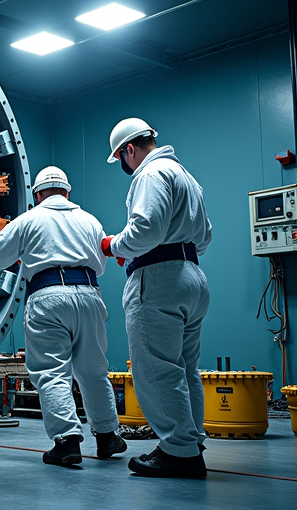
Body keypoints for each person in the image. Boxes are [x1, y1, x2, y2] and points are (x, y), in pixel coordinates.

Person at [0, 166, 126, 467]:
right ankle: (107, 436)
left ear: (37, 195)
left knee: (52, 371)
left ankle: (67, 442)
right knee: (93, 370)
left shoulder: (30, 220)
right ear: (68, 191)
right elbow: (101, 264)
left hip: (48, 296)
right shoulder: (90, 221)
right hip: (89, 294)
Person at [101, 117, 213, 478]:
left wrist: (114, 245)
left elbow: (145, 229)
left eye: (121, 158)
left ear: (129, 149)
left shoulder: (149, 175)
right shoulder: (188, 177)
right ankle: (190, 442)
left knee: (155, 369)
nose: (124, 165)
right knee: (184, 368)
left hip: (160, 279)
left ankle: (179, 452)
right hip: (192, 276)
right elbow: (205, 236)